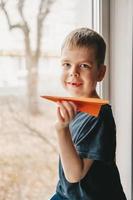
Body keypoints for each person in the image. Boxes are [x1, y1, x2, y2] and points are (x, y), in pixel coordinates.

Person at [50, 27, 127, 200]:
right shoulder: (75, 108)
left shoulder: (98, 114)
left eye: (84, 65)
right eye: (67, 64)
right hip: (67, 195)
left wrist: (61, 130)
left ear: (100, 73)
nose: (73, 72)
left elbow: (74, 174)